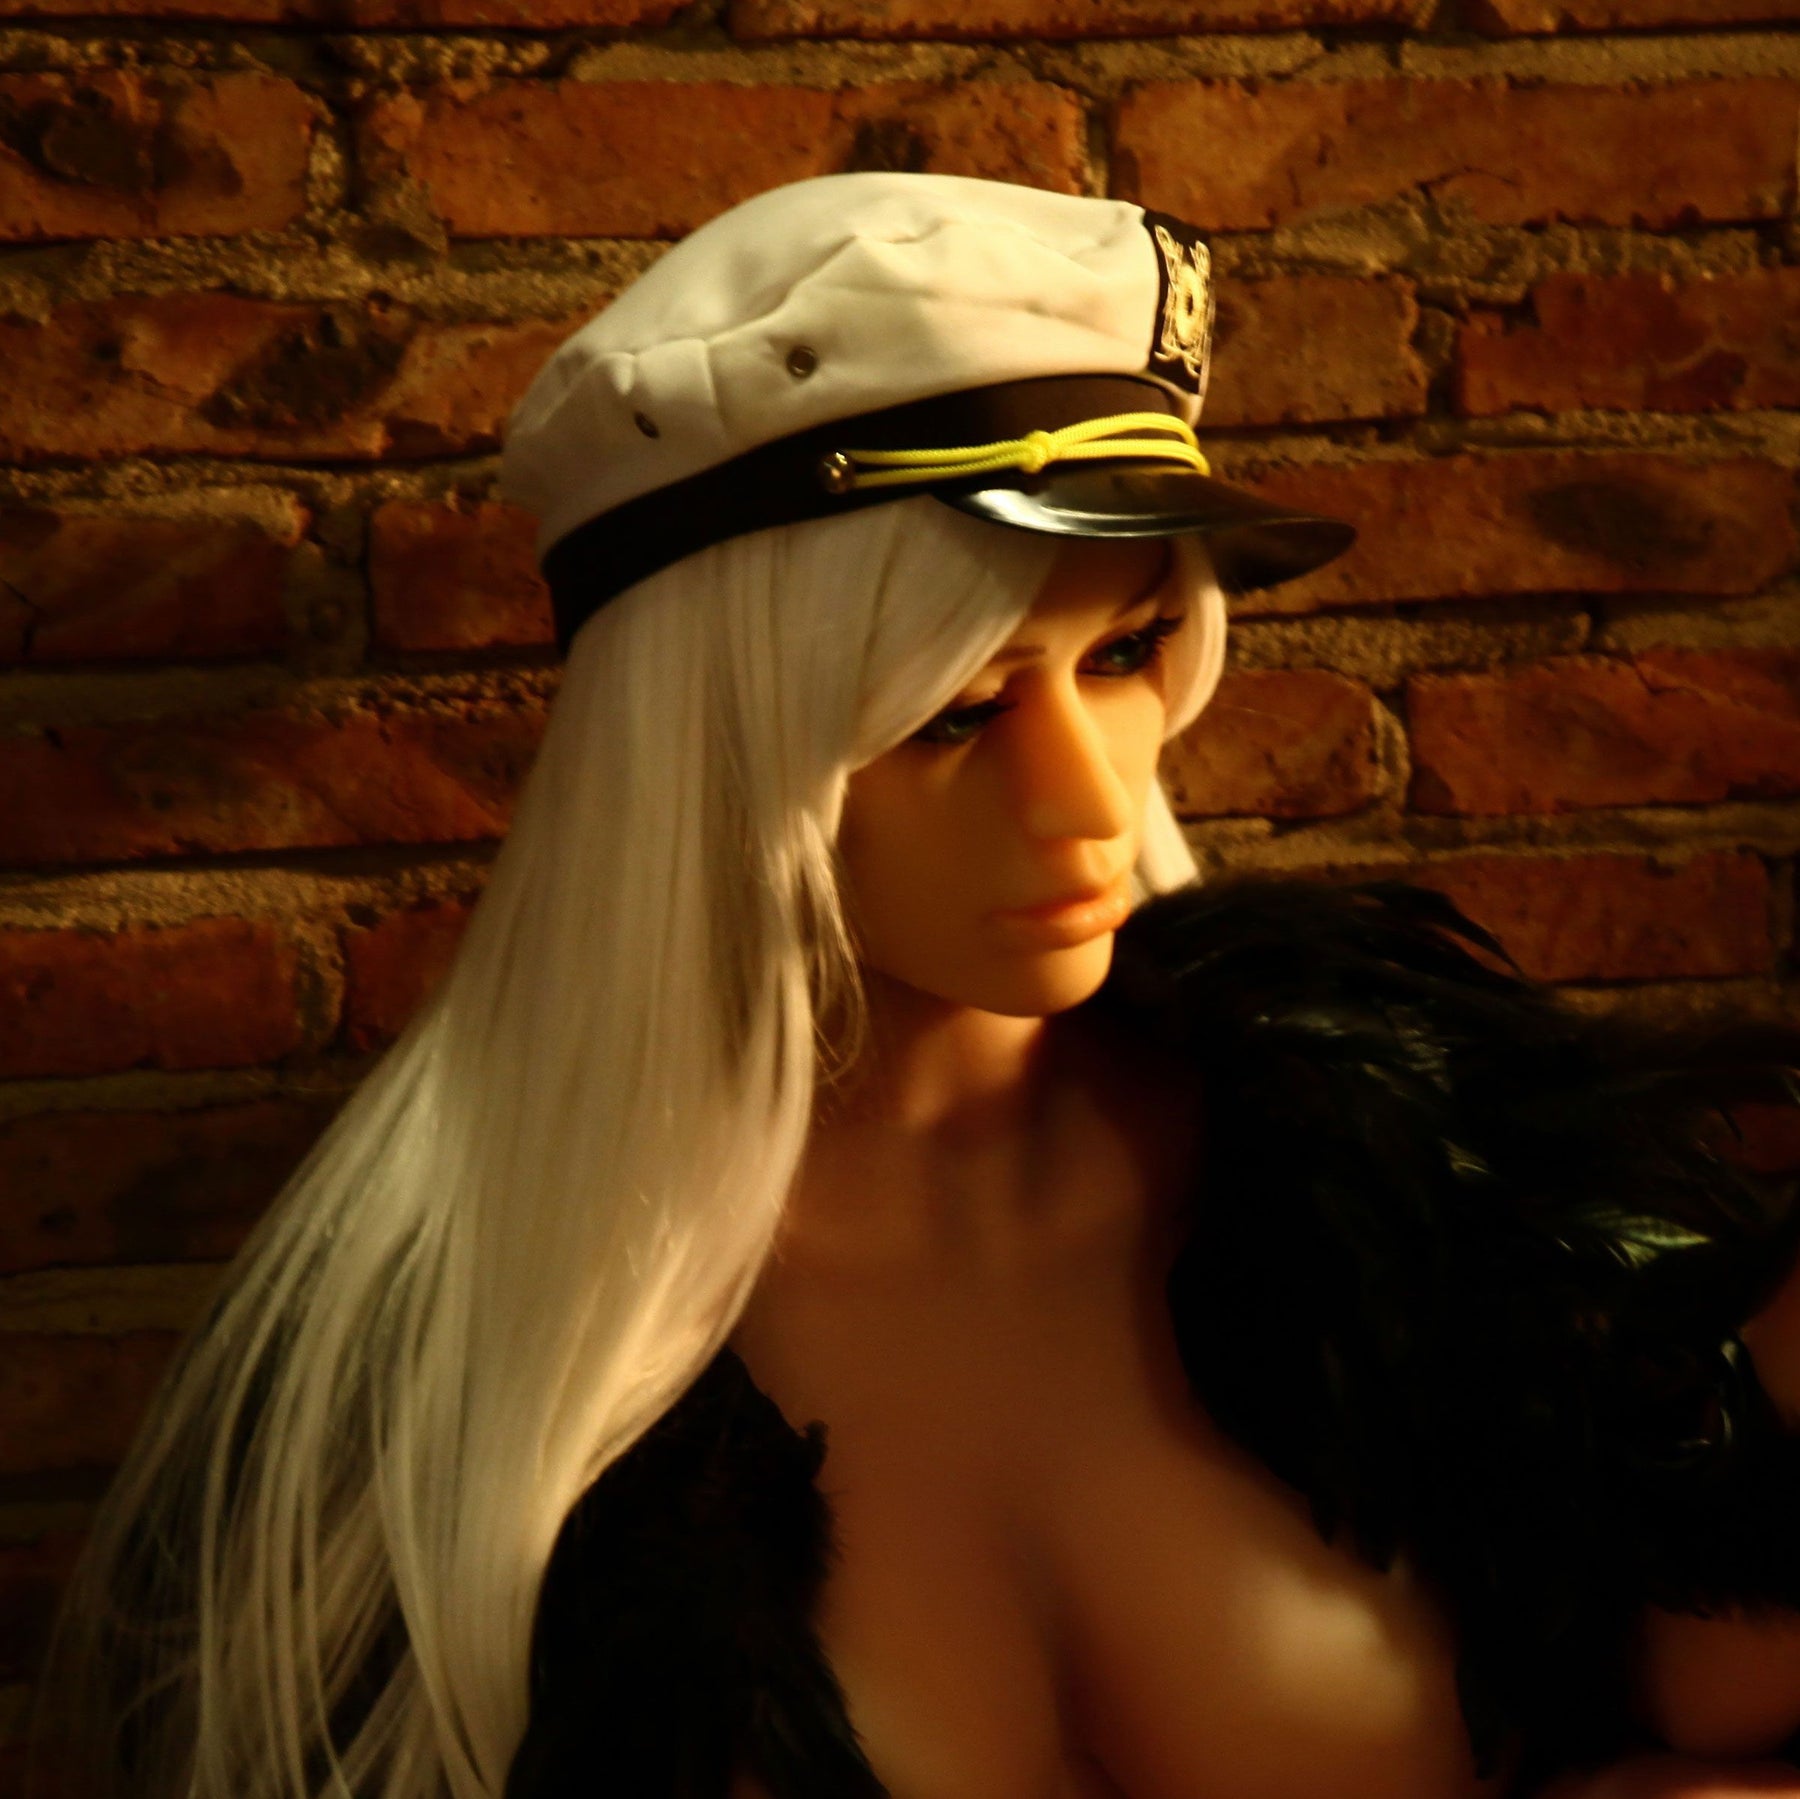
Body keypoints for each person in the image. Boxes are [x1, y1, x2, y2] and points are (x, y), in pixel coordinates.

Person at [38, 174, 1800, 1799]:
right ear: (719, 754)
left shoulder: (1410, 1159)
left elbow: (1696, 1660)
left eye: (1126, 653)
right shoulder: (445, 1385)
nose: (1089, 798)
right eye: (956, 712)